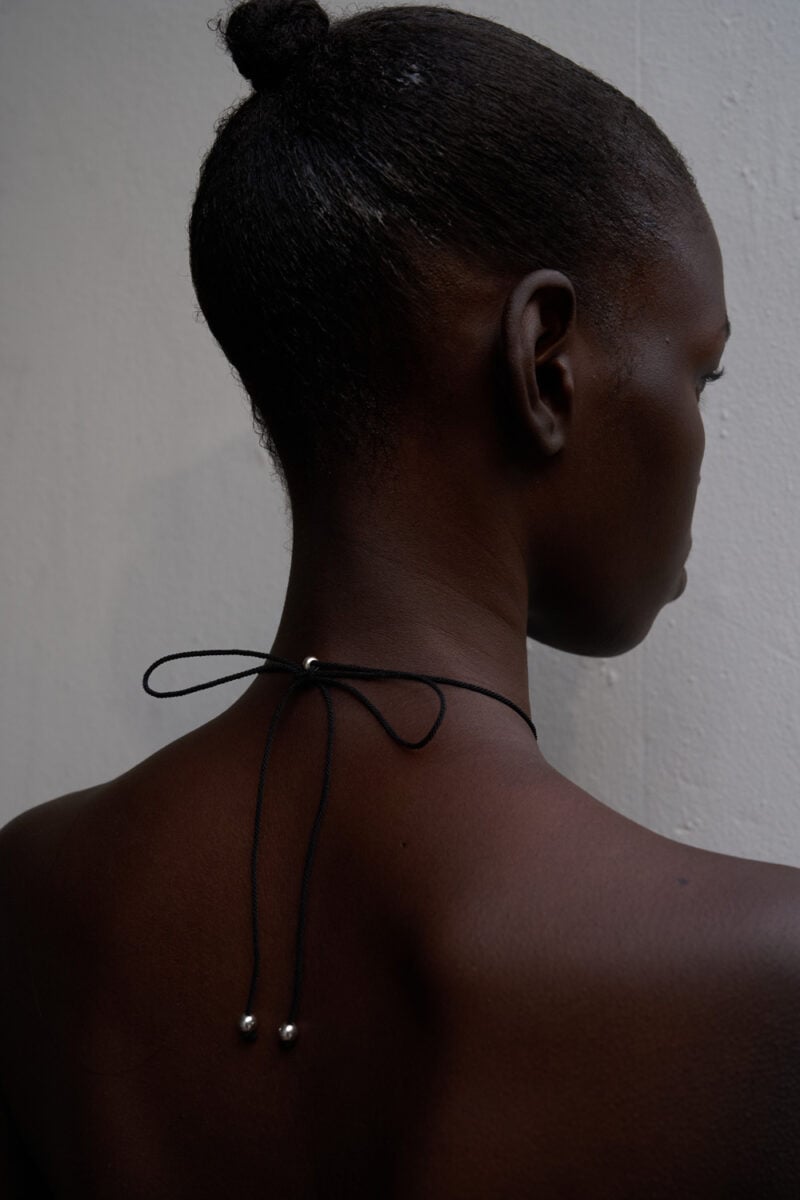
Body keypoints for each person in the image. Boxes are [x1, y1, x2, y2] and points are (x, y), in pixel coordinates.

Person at [2, 0, 799, 1194]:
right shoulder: (764, 978)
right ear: (544, 363)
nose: (696, 431)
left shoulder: (31, 895)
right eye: (701, 372)